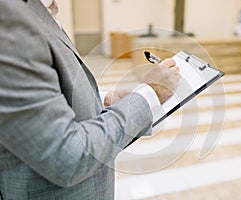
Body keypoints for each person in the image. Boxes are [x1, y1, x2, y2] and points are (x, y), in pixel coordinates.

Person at [0, 0, 180, 199]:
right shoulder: (9, 15)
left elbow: (43, 90)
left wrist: (104, 100)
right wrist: (149, 94)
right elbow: (66, 157)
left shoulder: (38, 9)